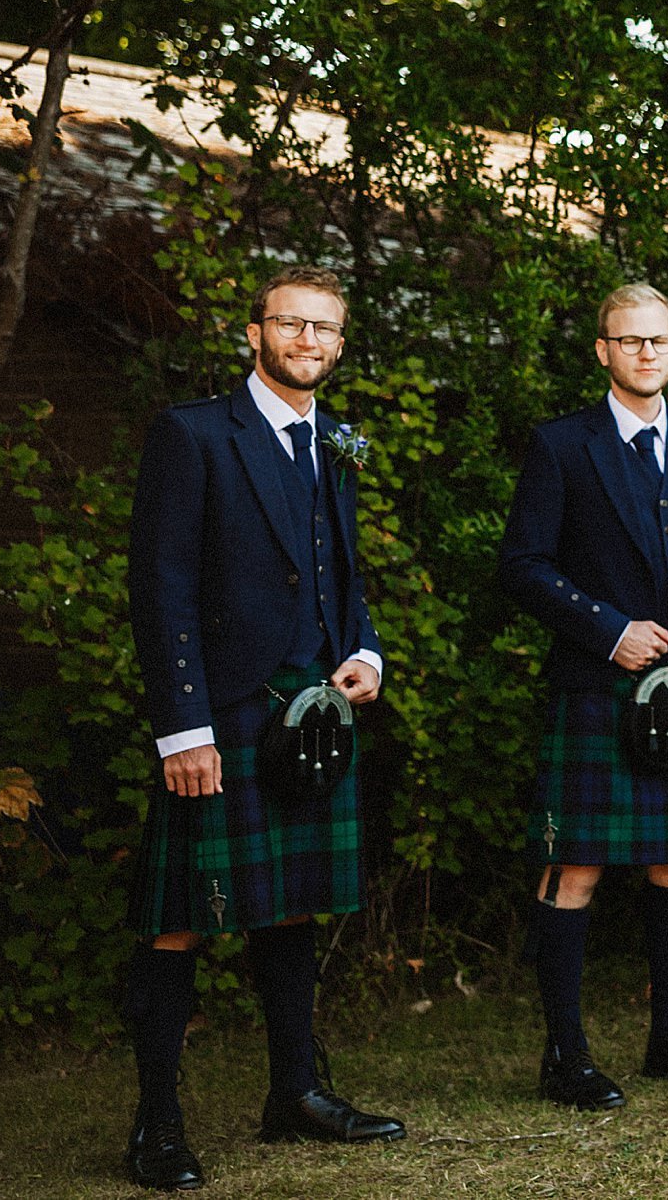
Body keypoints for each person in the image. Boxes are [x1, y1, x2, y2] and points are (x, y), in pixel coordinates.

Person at [123, 265, 405, 1189]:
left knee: (291, 905)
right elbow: (160, 585)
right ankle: (155, 1125)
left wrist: (364, 650)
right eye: (291, 324)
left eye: (324, 327)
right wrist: (183, 728)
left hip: (314, 713)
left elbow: (343, 575)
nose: (308, 340)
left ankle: (295, 1095)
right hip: (227, 716)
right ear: (256, 333)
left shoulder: (337, 444)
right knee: (179, 922)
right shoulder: (196, 433)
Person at [498, 283, 668, 1109]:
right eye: (630, 340)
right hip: (598, 689)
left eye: (660, 340)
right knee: (573, 868)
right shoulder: (562, 446)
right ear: (603, 351)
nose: (647, 353)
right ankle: (564, 1055)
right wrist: (609, 629)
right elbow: (524, 566)